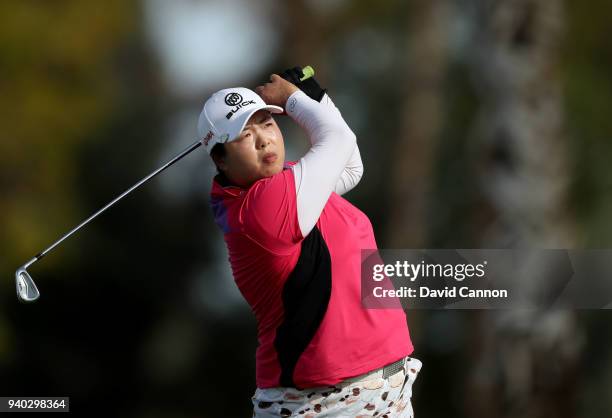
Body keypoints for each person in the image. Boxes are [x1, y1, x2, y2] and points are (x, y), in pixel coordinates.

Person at [198, 67, 421, 417]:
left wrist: (314, 95)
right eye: (243, 134)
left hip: (380, 393)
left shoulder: (286, 186)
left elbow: (349, 167)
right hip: (322, 404)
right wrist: (291, 98)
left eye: (267, 123)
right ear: (220, 159)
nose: (263, 140)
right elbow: (338, 142)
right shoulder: (262, 208)